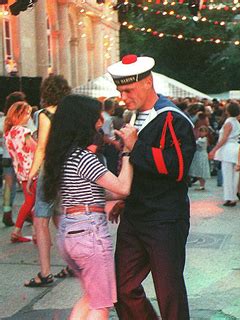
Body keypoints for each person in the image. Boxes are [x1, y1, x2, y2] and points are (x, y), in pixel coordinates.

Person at [107, 54, 196, 319]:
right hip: (135, 216)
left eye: (128, 90)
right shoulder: (135, 118)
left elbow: (178, 168)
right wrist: (126, 198)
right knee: (122, 288)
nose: (124, 96)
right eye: (120, 91)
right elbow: (140, 168)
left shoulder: (173, 118)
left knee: (169, 293)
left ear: (148, 82)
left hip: (165, 218)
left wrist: (137, 147)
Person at [43, 94, 133, 320]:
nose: (101, 122)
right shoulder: (84, 158)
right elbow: (123, 187)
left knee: (92, 297)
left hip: (69, 232)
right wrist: (128, 151)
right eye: (96, 117)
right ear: (83, 121)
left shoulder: (64, 155)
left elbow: (99, 191)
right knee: (101, 304)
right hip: (89, 233)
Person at [24, 75, 72, 287]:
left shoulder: (44, 115)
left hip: (51, 171)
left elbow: (42, 147)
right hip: (69, 169)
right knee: (61, 218)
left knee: (40, 220)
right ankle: (72, 264)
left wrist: (32, 173)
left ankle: (45, 272)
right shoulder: (70, 113)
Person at [4, 102, 36, 242]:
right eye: (27, 113)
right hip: (33, 171)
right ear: (20, 114)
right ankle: (35, 233)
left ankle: (18, 232)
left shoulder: (9, 133)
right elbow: (36, 149)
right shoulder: (24, 132)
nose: (29, 117)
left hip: (21, 173)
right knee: (37, 203)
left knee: (29, 202)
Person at [209, 102, 240, 206]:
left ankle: (229, 197)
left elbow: (224, 138)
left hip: (228, 149)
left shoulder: (228, 122)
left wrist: (214, 150)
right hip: (236, 149)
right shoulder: (237, 122)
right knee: (234, 175)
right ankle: (234, 196)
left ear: (228, 111)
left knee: (227, 175)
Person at [1, 92, 24, 227]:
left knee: (8, 187)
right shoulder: (23, 120)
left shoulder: (3, 120)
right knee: (27, 188)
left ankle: (7, 213)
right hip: (21, 158)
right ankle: (27, 214)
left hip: (6, 157)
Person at [188, 126, 211, 190]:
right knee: (198, 170)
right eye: (200, 131)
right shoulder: (200, 139)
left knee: (201, 171)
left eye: (202, 132)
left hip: (201, 156)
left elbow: (195, 143)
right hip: (198, 155)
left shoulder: (204, 139)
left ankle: (202, 185)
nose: (201, 133)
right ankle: (201, 185)